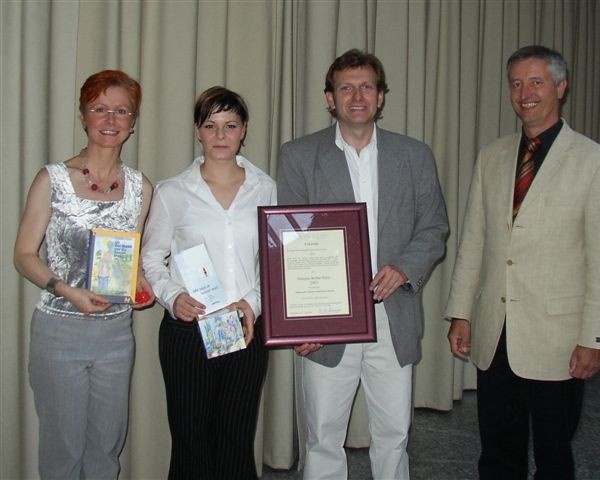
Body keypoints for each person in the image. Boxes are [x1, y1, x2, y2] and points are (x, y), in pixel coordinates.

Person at [445, 45, 600, 479]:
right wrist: (460, 313)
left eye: (536, 82)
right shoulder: (492, 156)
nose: (524, 93)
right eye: (516, 83)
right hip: (496, 332)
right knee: (497, 452)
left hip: (558, 339)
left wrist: (594, 339)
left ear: (561, 88)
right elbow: (475, 240)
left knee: (553, 455)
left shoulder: (596, 163)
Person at [277, 49, 449, 479]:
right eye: (346, 87)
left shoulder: (414, 155)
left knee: (394, 435)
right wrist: (304, 321)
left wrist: (405, 267)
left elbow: (434, 228)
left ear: (382, 96)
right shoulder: (299, 155)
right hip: (328, 321)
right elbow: (290, 244)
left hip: (394, 315)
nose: (357, 96)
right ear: (329, 98)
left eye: (367, 86)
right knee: (323, 438)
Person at [13, 69, 155, 479]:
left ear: (133, 122)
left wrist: (140, 283)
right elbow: (24, 255)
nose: (111, 121)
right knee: (62, 451)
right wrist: (64, 289)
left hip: (115, 333)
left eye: (121, 111)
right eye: (100, 109)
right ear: (83, 116)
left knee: (105, 450)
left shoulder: (141, 188)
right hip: (60, 330)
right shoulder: (52, 179)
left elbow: (132, 260)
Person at [141, 86, 275, 479]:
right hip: (189, 331)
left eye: (230, 125)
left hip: (245, 327)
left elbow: (274, 260)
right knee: (190, 442)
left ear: (244, 130)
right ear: (198, 130)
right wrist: (172, 296)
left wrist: (254, 303)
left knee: (236, 440)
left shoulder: (266, 188)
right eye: (211, 125)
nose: (220, 135)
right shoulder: (172, 192)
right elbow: (151, 257)